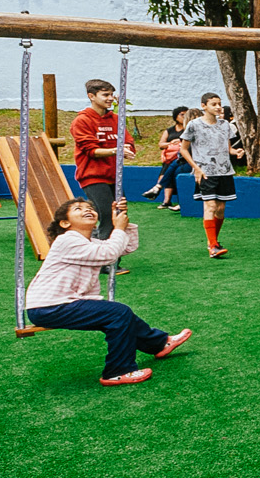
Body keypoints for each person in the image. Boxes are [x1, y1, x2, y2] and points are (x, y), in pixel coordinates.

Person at [24, 197, 193, 385]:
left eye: (90, 208)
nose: (87, 210)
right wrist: (118, 229)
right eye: (78, 209)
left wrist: (119, 222)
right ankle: (117, 371)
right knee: (117, 313)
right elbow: (109, 253)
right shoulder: (67, 240)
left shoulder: (90, 242)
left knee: (118, 315)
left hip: (62, 303)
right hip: (50, 305)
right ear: (65, 223)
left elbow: (125, 247)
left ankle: (159, 344)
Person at [70, 77, 133, 271]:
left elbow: (128, 142)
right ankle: (106, 262)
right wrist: (117, 150)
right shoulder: (82, 121)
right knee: (107, 214)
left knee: (119, 214)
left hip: (114, 175)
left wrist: (126, 148)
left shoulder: (115, 119)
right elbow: (91, 150)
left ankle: (100, 253)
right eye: (105, 95)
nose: (110, 99)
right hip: (93, 175)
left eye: (112, 95)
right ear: (91, 96)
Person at [181, 92, 238, 258]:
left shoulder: (225, 125)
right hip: (206, 172)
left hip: (225, 171)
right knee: (210, 206)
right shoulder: (194, 125)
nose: (218, 107)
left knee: (220, 209)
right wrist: (196, 168)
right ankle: (213, 246)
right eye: (214, 104)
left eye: (219, 103)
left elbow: (228, 148)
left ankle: (214, 240)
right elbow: (183, 150)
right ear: (203, 106)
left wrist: (236, 152)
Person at [145, 105, 192, 210]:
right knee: (170, 166)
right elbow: (161, 144)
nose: (184, 117)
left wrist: (180, 142)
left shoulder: (189, 129)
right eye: (182, 114)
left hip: (182, 157)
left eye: (186, 115)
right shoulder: (170, 130)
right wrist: (171, 144)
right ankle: (165, 200)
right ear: (176, 116)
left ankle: (159, 189)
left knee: (173, 169)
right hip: (173, 157)